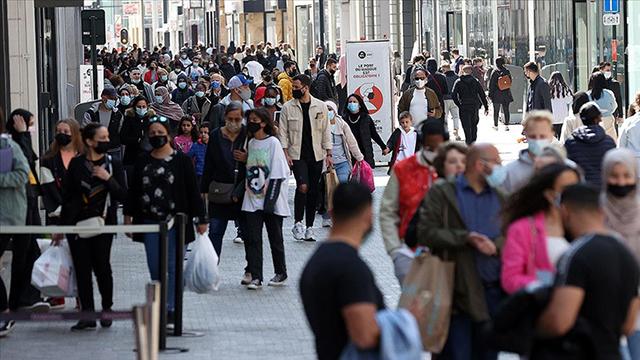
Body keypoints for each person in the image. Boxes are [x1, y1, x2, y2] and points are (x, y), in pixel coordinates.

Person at [417, 143, 507, 359]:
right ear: (479, 165)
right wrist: (464, 238)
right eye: (497, 162)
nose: (501, 167)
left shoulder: (501, 196)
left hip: (492, 292)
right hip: (455, 293)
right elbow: (425, 232)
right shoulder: (443, 192)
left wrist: (496, 246)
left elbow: (513, 235)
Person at [535, 184, 640, 360]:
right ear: (601, 211)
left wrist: (533, 329)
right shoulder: (627, 255)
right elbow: (629, 325)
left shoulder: (575, 255)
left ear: (564, 211)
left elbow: (560, 321)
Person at [124, 116, 207, 322]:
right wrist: (128, 217)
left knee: (173, 267)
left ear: (169, 136)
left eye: (160, 133)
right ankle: (159, 304)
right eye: (152, 134)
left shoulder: (182, 161)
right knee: (155, 267)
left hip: (177, 222)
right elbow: (134, 191)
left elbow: (192, 192)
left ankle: (171, 308)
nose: (156, 137)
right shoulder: (143, 160)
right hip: (149, 222)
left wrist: (201, 219)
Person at [299, 183, 385, 360]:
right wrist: (408, 322)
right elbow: (365, 336)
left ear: (332, 212)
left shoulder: (316, 261)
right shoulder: (351, 268)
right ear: (368, 215)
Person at [57, 123, 127, 331]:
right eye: (102, 138)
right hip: (77, 224)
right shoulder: (77, 165)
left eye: (107, 137)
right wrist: (62, 227)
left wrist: (108, 180)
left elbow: (122, 195)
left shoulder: (113, 163)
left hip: (104, 224)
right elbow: (68, 196)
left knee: (103, 268)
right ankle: (87, 313)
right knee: (82, 269)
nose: (106, 141)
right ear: (89, 141)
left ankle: (107, 309)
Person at [380, 119, 447, 285]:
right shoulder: (403, 169)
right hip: (409, 252)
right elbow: (388, 211)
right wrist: (395, 250)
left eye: (439, 148)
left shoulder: (454, 167)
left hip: (446, 253)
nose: (434, 152)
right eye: (430, 148)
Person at [500, 164, 580, 294]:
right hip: (542, 307)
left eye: (577, 187)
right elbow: (510, 279)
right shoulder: (523, 229)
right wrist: (545, 286)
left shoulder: (583, 224)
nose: (575, 194)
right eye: (567, 189)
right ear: (550, 195)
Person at [241, 108, 290, 290]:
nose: (251, 123)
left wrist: (270, 202)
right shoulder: (251, 142)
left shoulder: (273, 143)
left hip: (271, 199)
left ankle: (281, 272)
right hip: (252, 198)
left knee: (275, 237)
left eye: (254, 119)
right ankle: (256, 275)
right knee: (253, 238)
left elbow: (278, 173)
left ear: (263, 122)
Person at [278, 74, 331, 241]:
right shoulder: (288, 107)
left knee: (313, 190)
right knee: (303, 186)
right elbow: (283, 132)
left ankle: (309, 226)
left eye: (296, 87)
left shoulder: (320, 106)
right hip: (296, 154)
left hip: (316, 154)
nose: (293, 90)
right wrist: (285, 153)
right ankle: (298, 222)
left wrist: (329, 153)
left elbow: (325, 131)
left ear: (305, 88)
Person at [600, 149, 640, 358]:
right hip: (604, 299)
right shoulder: (596, 210)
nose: (621, 182)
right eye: (614, 176)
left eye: (627, 176)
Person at [201, 103, 248, 265]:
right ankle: (212, 268)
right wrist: (203, 190)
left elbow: (259, 162)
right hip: (219, 190)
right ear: (225, 118)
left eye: (237, 119)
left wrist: (246, 158)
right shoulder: (215, 135)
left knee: (249, 234)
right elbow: (209, 164)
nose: (234, 122)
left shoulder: (247, 134)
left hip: (242, 192)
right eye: (230, 119)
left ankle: (251, 270)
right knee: (215, 231)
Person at [0, 110, 33, 336]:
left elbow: (24, 172)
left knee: (22, 258)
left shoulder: (8, 147)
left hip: (11, 215)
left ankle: (9, 309)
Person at [320, 100, 365, 227]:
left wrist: (359, 158)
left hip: (343, 162)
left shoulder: (342, 124)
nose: (328, 111)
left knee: (343, 188)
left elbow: (351, 142)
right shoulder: (320, 125)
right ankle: (328, 216)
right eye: (326, 108)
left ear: (334, 111)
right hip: (327, 164)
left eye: (330, 109)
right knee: (330, 190)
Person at [41, 119, 84, 227]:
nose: (61, 134)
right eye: (58, 131)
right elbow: (48, 187)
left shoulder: (85, 156)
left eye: (66, 132)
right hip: (57, 214)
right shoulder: (48, 159)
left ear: (74, 134)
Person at [502, 111, 556, 193]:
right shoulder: (510, 172)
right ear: (526, 135)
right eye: (533, 136)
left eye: (542, 136)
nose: (538, 140)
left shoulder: (567, 170)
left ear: (552, 134)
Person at [565, 102, 616, 187]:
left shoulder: (571, 143)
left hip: (579, 190)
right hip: (602, 190)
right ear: (599, 118)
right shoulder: (608, 142)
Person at [343, 93, 390, 168]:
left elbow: (374, 134)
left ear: (360, 104)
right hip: (349, 153)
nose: (352, 104)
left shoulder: (366, 118)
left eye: (354, 102)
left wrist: (383, 147)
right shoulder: (343, 119)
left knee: (365, 177)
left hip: (365, 152)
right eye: (350, 102)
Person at [82, 87, 124, 162]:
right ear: (104, 98)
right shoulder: (91, 114)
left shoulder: (118, 115)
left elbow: (120, 131)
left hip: (113, 149)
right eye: (112, 98)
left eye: (115, 99)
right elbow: (85, 131)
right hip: (95, 149)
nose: (114, 101)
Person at [451, 65, 489, 144]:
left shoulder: (458, 81)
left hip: (463, 105)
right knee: (474, 124)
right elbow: (481, 94)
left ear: (463, 71)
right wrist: (486, 106)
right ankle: (473, 140)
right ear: (471, 71)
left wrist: (459, 104)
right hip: (474, 105)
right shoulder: (475, 81)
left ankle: (468, 140)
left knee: (466, 124)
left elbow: (453, 95)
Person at [120, 96, 155, 176]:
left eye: (144, 106)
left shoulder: (152, 119)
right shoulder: (129, 119)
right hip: (132, 156)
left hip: (148, 157)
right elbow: (123, 138)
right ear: (134, 107)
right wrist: (137, 140)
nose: (141, 109)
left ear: (147, 107)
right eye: (139, 107)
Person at [588, 71, 618, 141]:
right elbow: (614, 106)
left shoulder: (588, 94)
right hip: (608, 119)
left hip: (593, 120)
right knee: (611, 141)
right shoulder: (609, 93)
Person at [488, 57, 514, 132]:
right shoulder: (507, 71)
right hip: (506, 93)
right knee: (506, 110)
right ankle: (506, 125)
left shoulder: (495, 72)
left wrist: (490, 94)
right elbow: (510, 82)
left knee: (496, 111)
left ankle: (496, 126)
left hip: (496, 94)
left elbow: (491, 84)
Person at [549, 71, 573, 139]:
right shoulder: (565, 88)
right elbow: (569, 100)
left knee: (553, 138)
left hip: (552, 117)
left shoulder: (548, 88)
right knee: (561, 136)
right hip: (563, 116)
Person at [442, 63, 462, 140]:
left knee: (445, 117)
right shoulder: (456, 77)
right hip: (454, 99)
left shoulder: (443, 77)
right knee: (456, 116)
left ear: (444, 69)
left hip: (445, 99)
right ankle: (456, 131)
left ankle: (446, 132)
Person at [425, 58, 448, 122]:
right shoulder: (442, 77)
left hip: (428, 102)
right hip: (439, 101)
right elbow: (446, 91)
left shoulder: (425, 77)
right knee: (440, 119)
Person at [187, 122, 209, 188]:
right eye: (201, 132)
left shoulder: (213, 145)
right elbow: (188, 156)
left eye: (205, 132)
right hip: (199, 173)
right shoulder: (196, 145)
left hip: (210, 174)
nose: (203, 134)